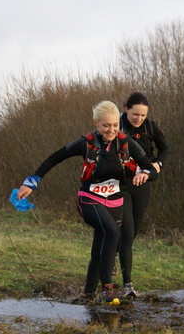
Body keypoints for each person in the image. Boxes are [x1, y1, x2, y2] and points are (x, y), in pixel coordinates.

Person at [17, 101, 158, 304]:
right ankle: (107, 289)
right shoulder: (86, 143)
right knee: (112, 232)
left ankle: (87, 293)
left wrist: (144, 174)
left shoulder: (126, 143)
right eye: (105, 126)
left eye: (115, 126)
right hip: (89, 199)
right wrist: (32, 182)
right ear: (96, 123)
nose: (111, 130)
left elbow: (151, 170)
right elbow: (55, 158)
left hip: (115, 202)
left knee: (100, 247)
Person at [116, 92, 170, 297]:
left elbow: (165, 150)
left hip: (143, 182)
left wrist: (156, 165)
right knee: (127, 231)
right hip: (120, 184)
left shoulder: (150, 127)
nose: (138, 119)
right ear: (126, 109)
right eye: (135, 114)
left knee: (131, 234)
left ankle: (112, 256)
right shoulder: (117, 125)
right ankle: (127, 284)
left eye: (143, 115)